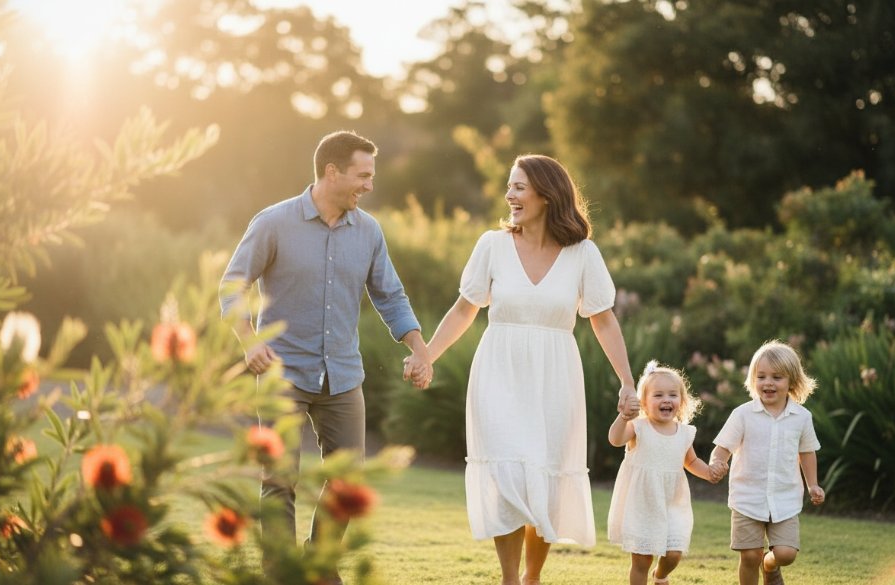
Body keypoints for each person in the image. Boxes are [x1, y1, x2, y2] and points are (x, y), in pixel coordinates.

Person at [416, 154, 641, 585]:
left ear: (546, 194)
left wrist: (627, 381)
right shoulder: (492, 246)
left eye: (519, 186)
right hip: (498, 371)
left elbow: (603, 319)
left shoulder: (582, 254)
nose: (510, 195)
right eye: (509, 186)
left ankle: (532, 577)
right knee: (506, 472)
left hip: (555, 376)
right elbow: (465, 309)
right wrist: (427, 355)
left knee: (545, 477)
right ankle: (508, 579)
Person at [219, 130, 432, 582]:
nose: (369, 186)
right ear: (331, 172)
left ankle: (320, 566)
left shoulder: (369, 231)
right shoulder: (274, 223)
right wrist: (248, 340)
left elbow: (389, 295)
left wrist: (420, 348)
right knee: (279, 480)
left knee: (347, 481)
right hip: (282, 375)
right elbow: (232, 285)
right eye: (363, 175)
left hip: (343, 376)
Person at [709, 340, 826, 585]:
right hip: (747, 498)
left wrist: (813, 485)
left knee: (786, 554)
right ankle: (758, 563)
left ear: (792, 381)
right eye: (761, 376)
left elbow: (806, 453)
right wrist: (717, 463)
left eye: (777, 377)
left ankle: (769, 564)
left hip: (785, 499)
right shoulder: (742, 414)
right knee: (749, 556)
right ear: (753, 380)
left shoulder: (802, 418)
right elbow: (723, 447)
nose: (768, 383)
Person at [607, 360, 721, 585]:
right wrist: (623, 417)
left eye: (672, 395)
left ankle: (660, 576)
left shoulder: (684, 433)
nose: (666, 399)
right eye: (658, 395)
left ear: (681, 400)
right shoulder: (638, 427)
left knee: (673, 553)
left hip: (672, 502)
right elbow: (615, 439)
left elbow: (691, 461)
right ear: (644, 403)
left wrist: (708, 472)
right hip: (643, 503)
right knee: (642, 560)